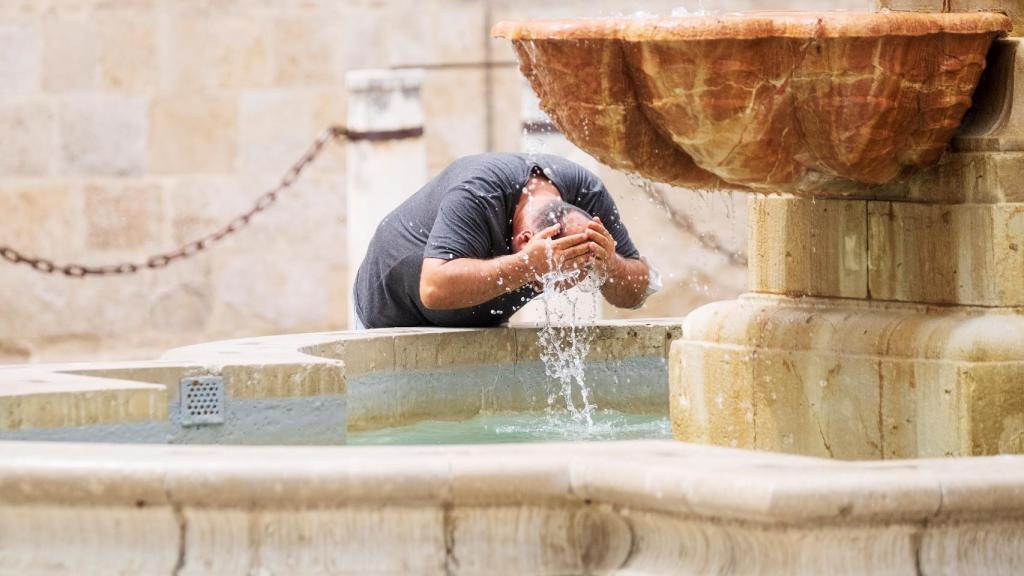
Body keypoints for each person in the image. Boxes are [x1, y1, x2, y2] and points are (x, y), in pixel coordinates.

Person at [353, 152, 659, 329]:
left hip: (477, 321)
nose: (570, 285)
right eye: (561, 273)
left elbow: (639, 291)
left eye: (581, 270)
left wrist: (612, 266)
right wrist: (527, 266)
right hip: (390, 314)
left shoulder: (588, 196)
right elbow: (434, 287)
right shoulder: (478, 193)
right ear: (526, 240)